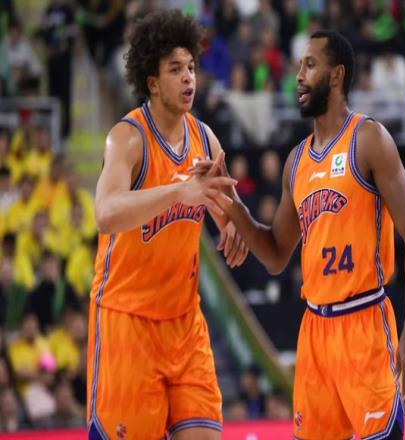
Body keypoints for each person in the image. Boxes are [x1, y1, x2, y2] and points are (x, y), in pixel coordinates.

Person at [195, 30, 405, 439]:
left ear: (336, 75)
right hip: (315, 331)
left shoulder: (369, 139)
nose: (299, 76)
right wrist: (230, 201)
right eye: (299, 66)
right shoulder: (296, 161)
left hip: (364, 321)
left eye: (310, 65)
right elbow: (275, 254)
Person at [87, 10, 247, 440]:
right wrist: (179, 192)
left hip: (184, 323)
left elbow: (226, 210)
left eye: (191, 67)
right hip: (128, 322)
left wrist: (233, 227)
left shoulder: (205, 139)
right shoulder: (127, 138)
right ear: (153, 82)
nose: (188, 78)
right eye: (175, 69)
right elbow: (105, 212)